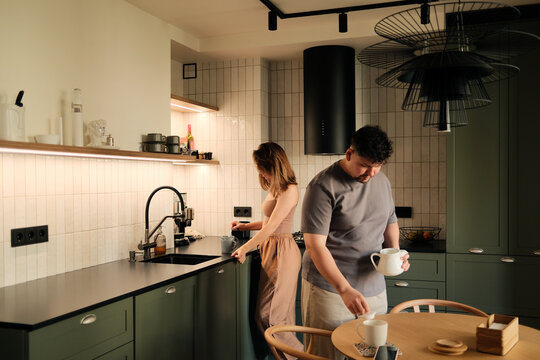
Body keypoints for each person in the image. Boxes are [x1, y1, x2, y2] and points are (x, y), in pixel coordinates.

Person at [300, 125, 410, 359]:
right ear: (349, 154)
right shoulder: (322, 186)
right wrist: (344, 289)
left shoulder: (383, 182)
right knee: (327, 354)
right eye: (365, 165)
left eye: (377, 166)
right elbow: (314, 246)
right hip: (330, 290)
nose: (370, 173)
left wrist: (396, 253)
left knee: (373, 354)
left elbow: (390, 220)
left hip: (374, 288)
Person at [231, 142, 303, 360]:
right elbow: (267, 222)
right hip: (271, 249)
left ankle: (299, 357)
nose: (260, 172)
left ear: (273, 166)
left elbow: (273, 227)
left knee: (270, 317)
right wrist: (244, 227)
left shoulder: (290, 190)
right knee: (278, 318)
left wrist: (244, 248)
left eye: (262, 168)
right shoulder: (274, 186)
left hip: (282, 252)